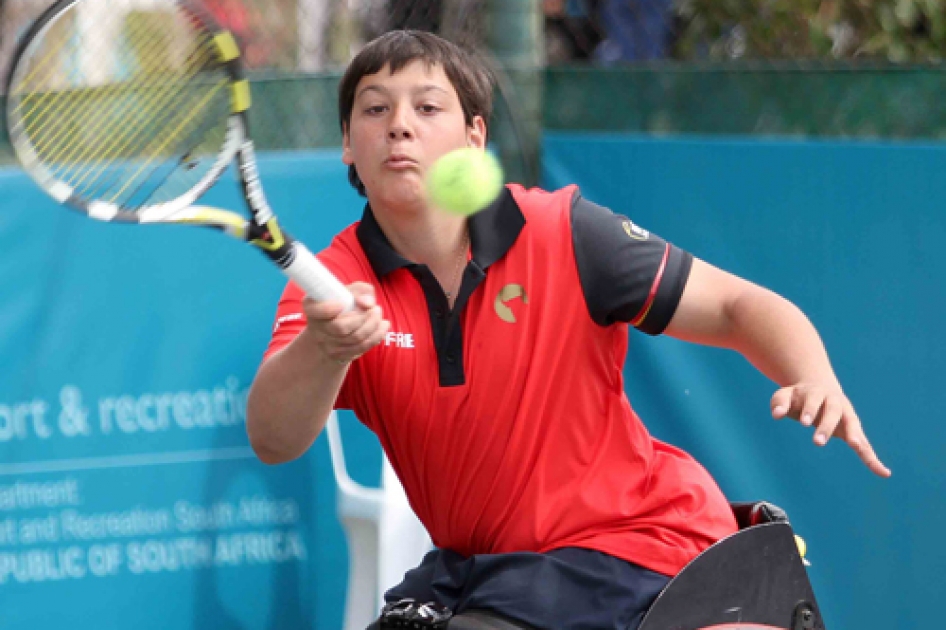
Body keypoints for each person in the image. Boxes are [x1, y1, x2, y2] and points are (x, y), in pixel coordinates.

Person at [246, 30, 890, 630]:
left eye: (427, 107)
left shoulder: (565, 233)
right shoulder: (334, 280)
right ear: (348, 144)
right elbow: (273, 439)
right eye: (375, 109)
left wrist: (814, 376)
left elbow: (734, 306)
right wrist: (324, 349)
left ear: (475, 136)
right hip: (493, 569)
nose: (400, 126)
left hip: (641, 543)